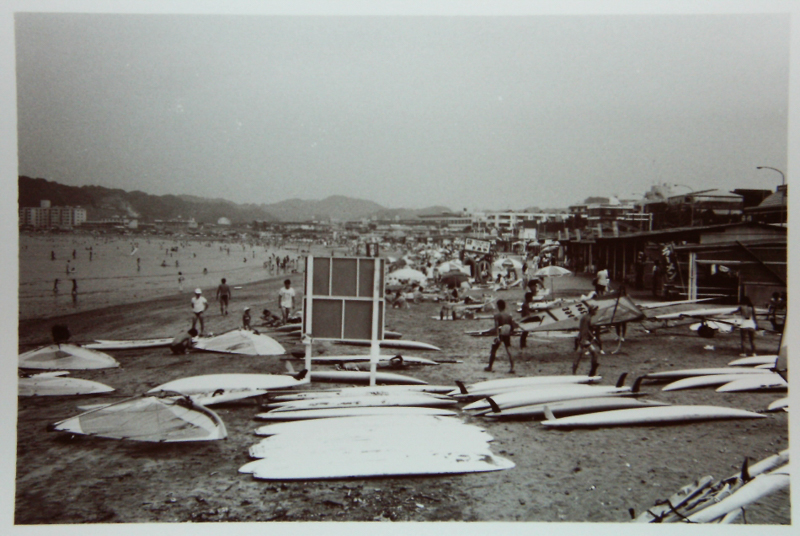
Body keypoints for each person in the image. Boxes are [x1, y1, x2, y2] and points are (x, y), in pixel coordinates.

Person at [485, 299, 518, 373]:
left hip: (500, 333)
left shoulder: (497, 316)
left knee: (493, 349)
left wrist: (495, 335)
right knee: (509, 350)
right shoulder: (509, 316)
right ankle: (512, 367)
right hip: (507, 333)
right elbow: (512, 326)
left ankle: (490, 367)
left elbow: (496, 326)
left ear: (498, 306)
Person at [573, 303, 600, 375]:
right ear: (592, 311)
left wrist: (592, 337)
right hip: (584, 340)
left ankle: (574, 372)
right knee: (594, 354)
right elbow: (585, 330)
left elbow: (586, 329)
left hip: (583, 339)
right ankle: (592, 372)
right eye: (595, 310)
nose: (596, 312)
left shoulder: (587, 317)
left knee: (579, 356)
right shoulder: (587, 318)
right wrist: (586, 340)